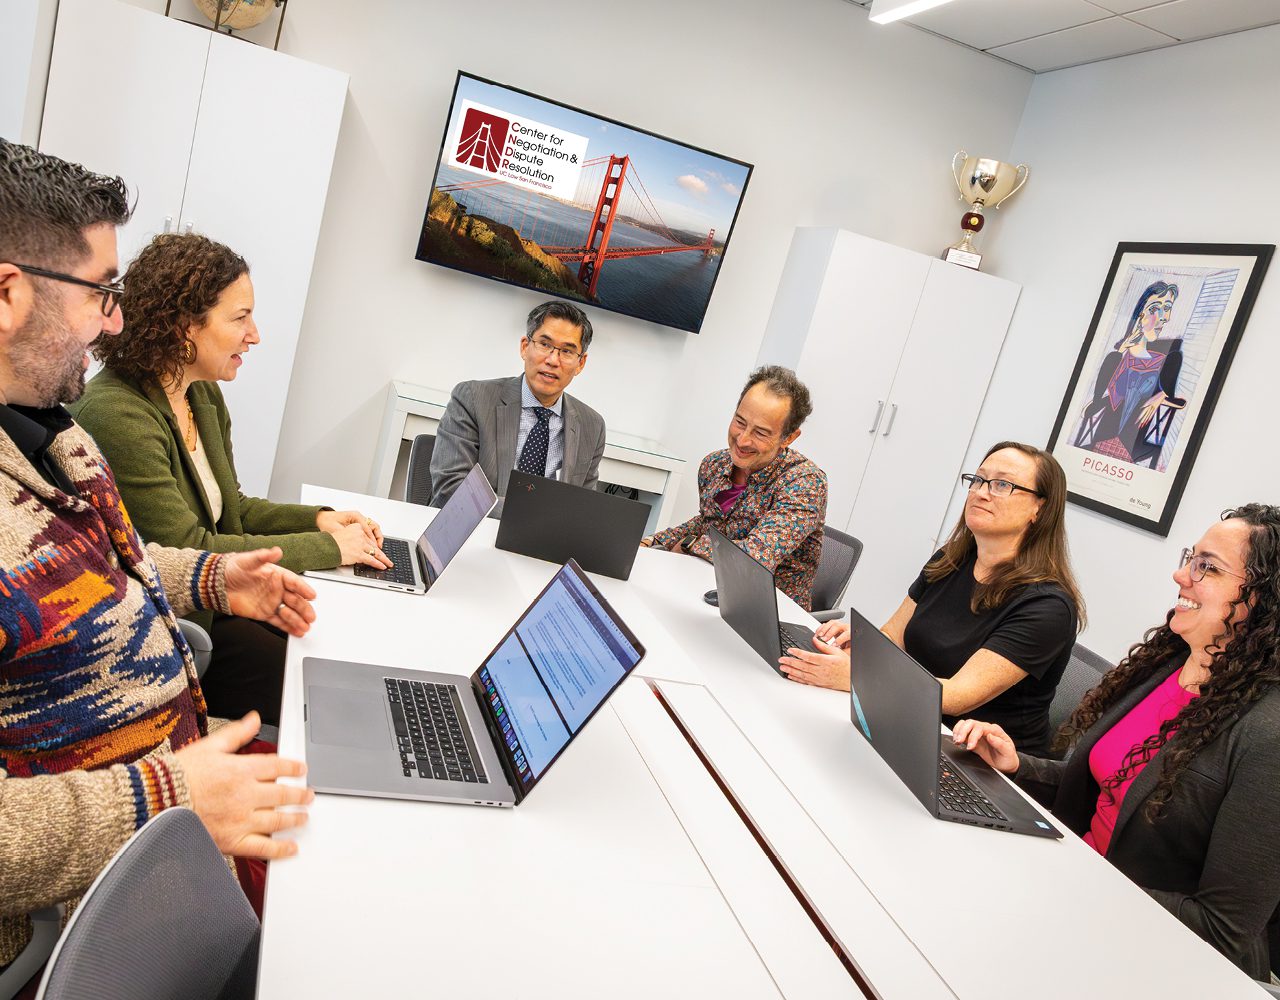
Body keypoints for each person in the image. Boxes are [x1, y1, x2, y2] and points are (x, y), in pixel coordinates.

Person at [0, 140, 314, 984]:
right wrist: (163, 799)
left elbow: (91, 574)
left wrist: (209, 579)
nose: (115, 319)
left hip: (165, 796)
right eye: (102, 293)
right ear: (7, 293)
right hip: (94, 896)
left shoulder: (51, 431)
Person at [70, 233, 389, 725]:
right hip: (175, 627)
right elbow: (191, 545)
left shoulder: (201, 394)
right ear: (183, 326)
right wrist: (331, 549)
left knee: (340, 653)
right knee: (327, 695)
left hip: (220, 603)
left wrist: (321, 520)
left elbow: (232, 510)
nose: (255, 334)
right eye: (240, 318)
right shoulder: (118, 414)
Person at [953, 504, 1280, 979]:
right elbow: (1113, 783)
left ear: (1263, 599)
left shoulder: (1268, 735)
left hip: (1142, 955)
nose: (1181, 575)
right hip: (1070, 897)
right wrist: (1017, 766)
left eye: (1207, 567)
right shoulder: (1172, 665)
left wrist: (1074, 877)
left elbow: (1224, 930)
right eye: (1192, 558)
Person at [780, 440, 1084, 755]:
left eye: (1002, 485)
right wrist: (860, 645)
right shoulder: (950, 560)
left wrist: (859, 676)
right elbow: (893, 636)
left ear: (1041, 508)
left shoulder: (1047, 607)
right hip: (911, 721)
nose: (980, 492)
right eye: (978, 480)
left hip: (977, 761)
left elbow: (957, 696)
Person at [644, 365, 827, 611]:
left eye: (761, 433)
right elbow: (707, 523)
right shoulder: (715, 465)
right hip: (705, 588)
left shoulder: (804, 484)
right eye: (740, 422)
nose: (742, 440)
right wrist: (652, 542)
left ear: (789, 437)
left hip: (768, 614)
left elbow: (753, 557)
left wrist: (689, 544)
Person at [429, 299, 606, 509]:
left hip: (542, 541)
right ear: (525, 347)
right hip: (471, 534)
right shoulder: (472, 398)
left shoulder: (591, 426)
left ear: (581, 363)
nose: (552, 360)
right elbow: (451, 490)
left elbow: (582, 507)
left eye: (567, 351)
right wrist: (530, 518)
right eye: (545, 344)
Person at [1074, 279, 1185, 467]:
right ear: (1140, 314)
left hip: (1136, 440)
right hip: (1104, 432)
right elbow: (1099, 396)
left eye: (1167, 308)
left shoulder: (1170, 359)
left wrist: (1161, 396)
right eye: (1154, 309)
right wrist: (1123, 348)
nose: (1163, 317)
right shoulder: (1118, 357)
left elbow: (1177, 401)